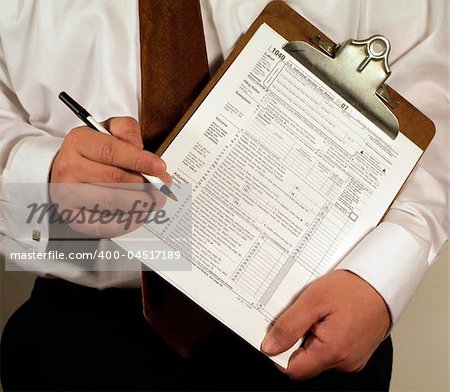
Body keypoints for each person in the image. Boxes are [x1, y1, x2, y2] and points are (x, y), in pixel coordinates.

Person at [0, 0, 448, 390]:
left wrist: (382, 277)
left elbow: (437, 97)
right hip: (81, 343)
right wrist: (45, 179)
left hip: (314, 321)